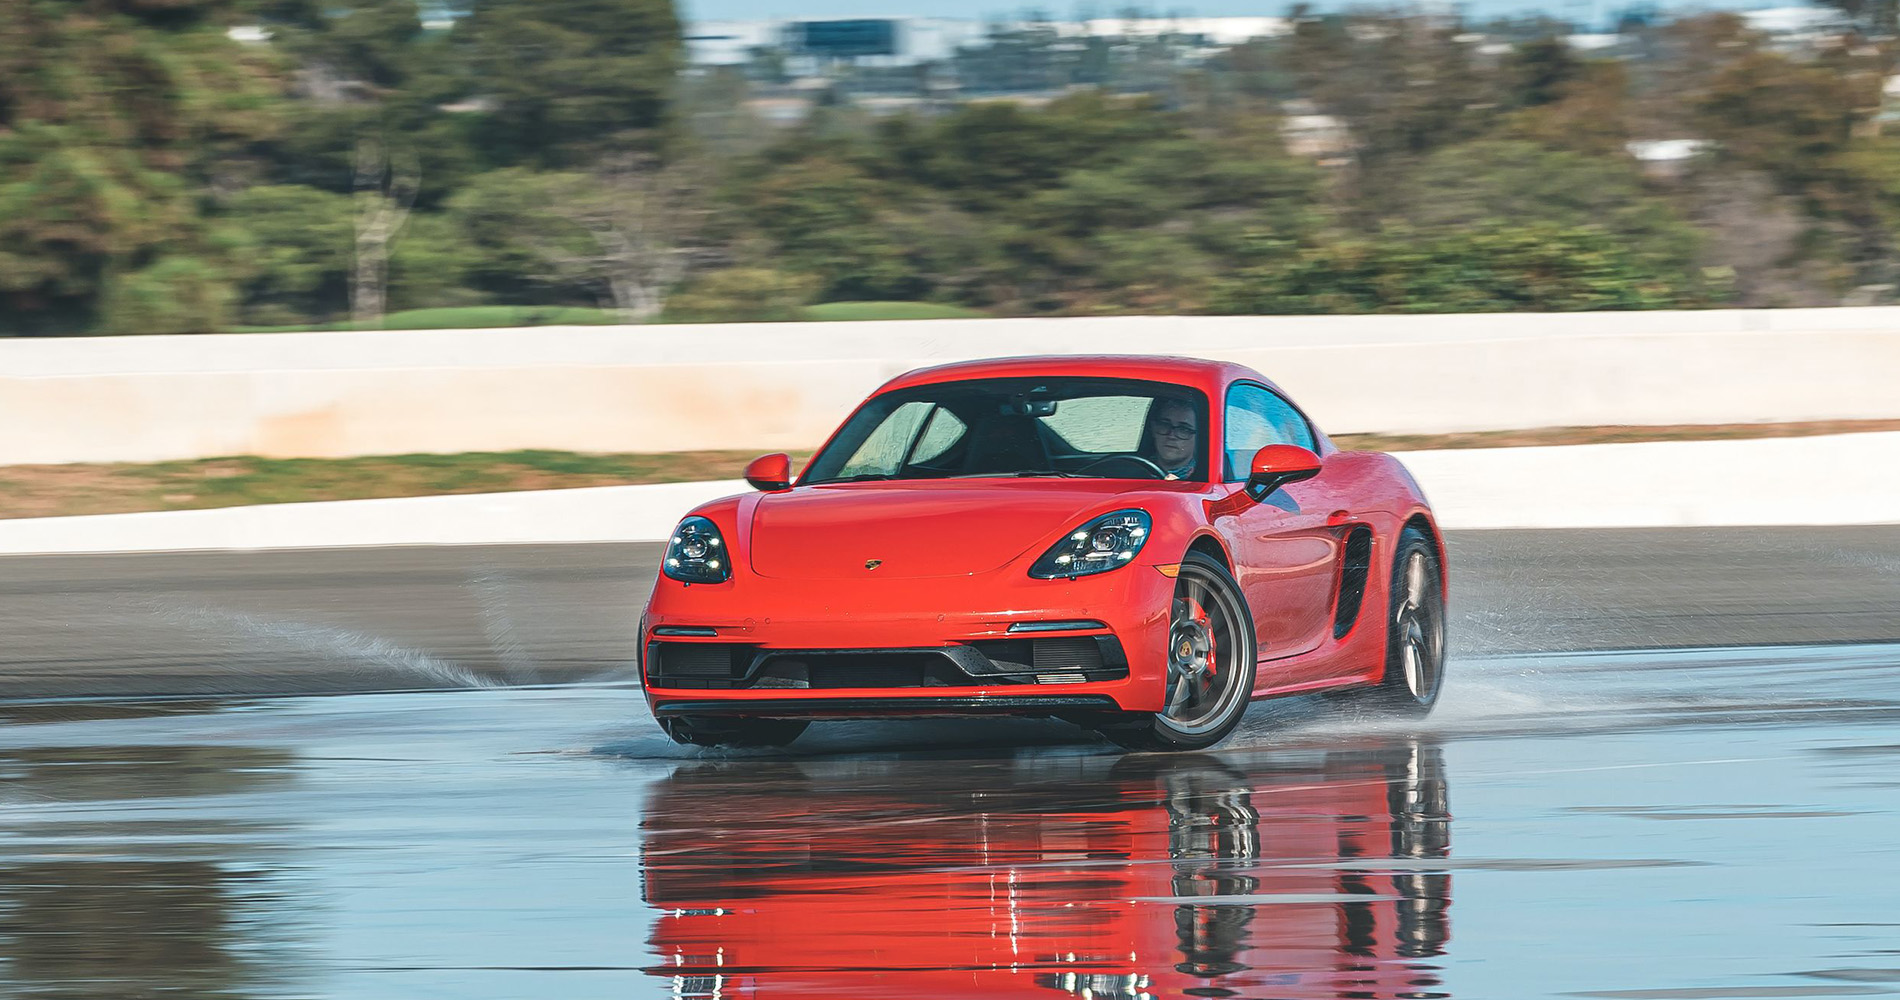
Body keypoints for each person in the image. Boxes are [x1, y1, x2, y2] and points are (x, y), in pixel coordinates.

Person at [1146, 398, 1199, 480]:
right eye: (1165, 425)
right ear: (1153, 428)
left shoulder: (1202, 479)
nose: (1171, 435)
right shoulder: (1134, 469)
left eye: (1184, 429)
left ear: (1199, 438)